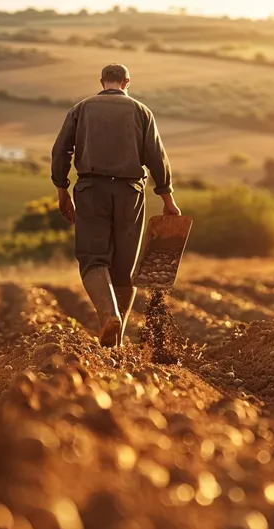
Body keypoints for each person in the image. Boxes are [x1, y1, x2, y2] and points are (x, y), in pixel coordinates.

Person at [51, 64, 181, 347]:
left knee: (92, 258)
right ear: (126, 82)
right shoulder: (141, 111)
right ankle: (117, 344)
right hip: (129, 192)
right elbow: (157, 157)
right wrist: (167, 200)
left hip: (90, 189)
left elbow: (60, 151)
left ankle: (109, 314)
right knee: (125, 266)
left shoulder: (81, 109)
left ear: (102, 82)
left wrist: (62, 192)